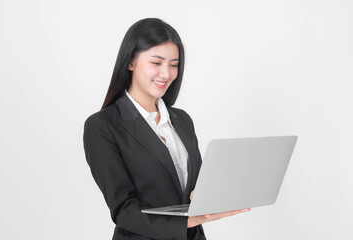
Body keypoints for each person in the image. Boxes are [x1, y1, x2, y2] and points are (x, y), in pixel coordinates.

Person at [83, 18, 250, 240]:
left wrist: (209, 195)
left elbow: (190, 188)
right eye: (157, 62)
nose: (167, 74)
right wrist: (184, 222)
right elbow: (123, 210)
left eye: (173, 64)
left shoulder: (182, 120)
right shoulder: (102, 126)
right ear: (131, 62)